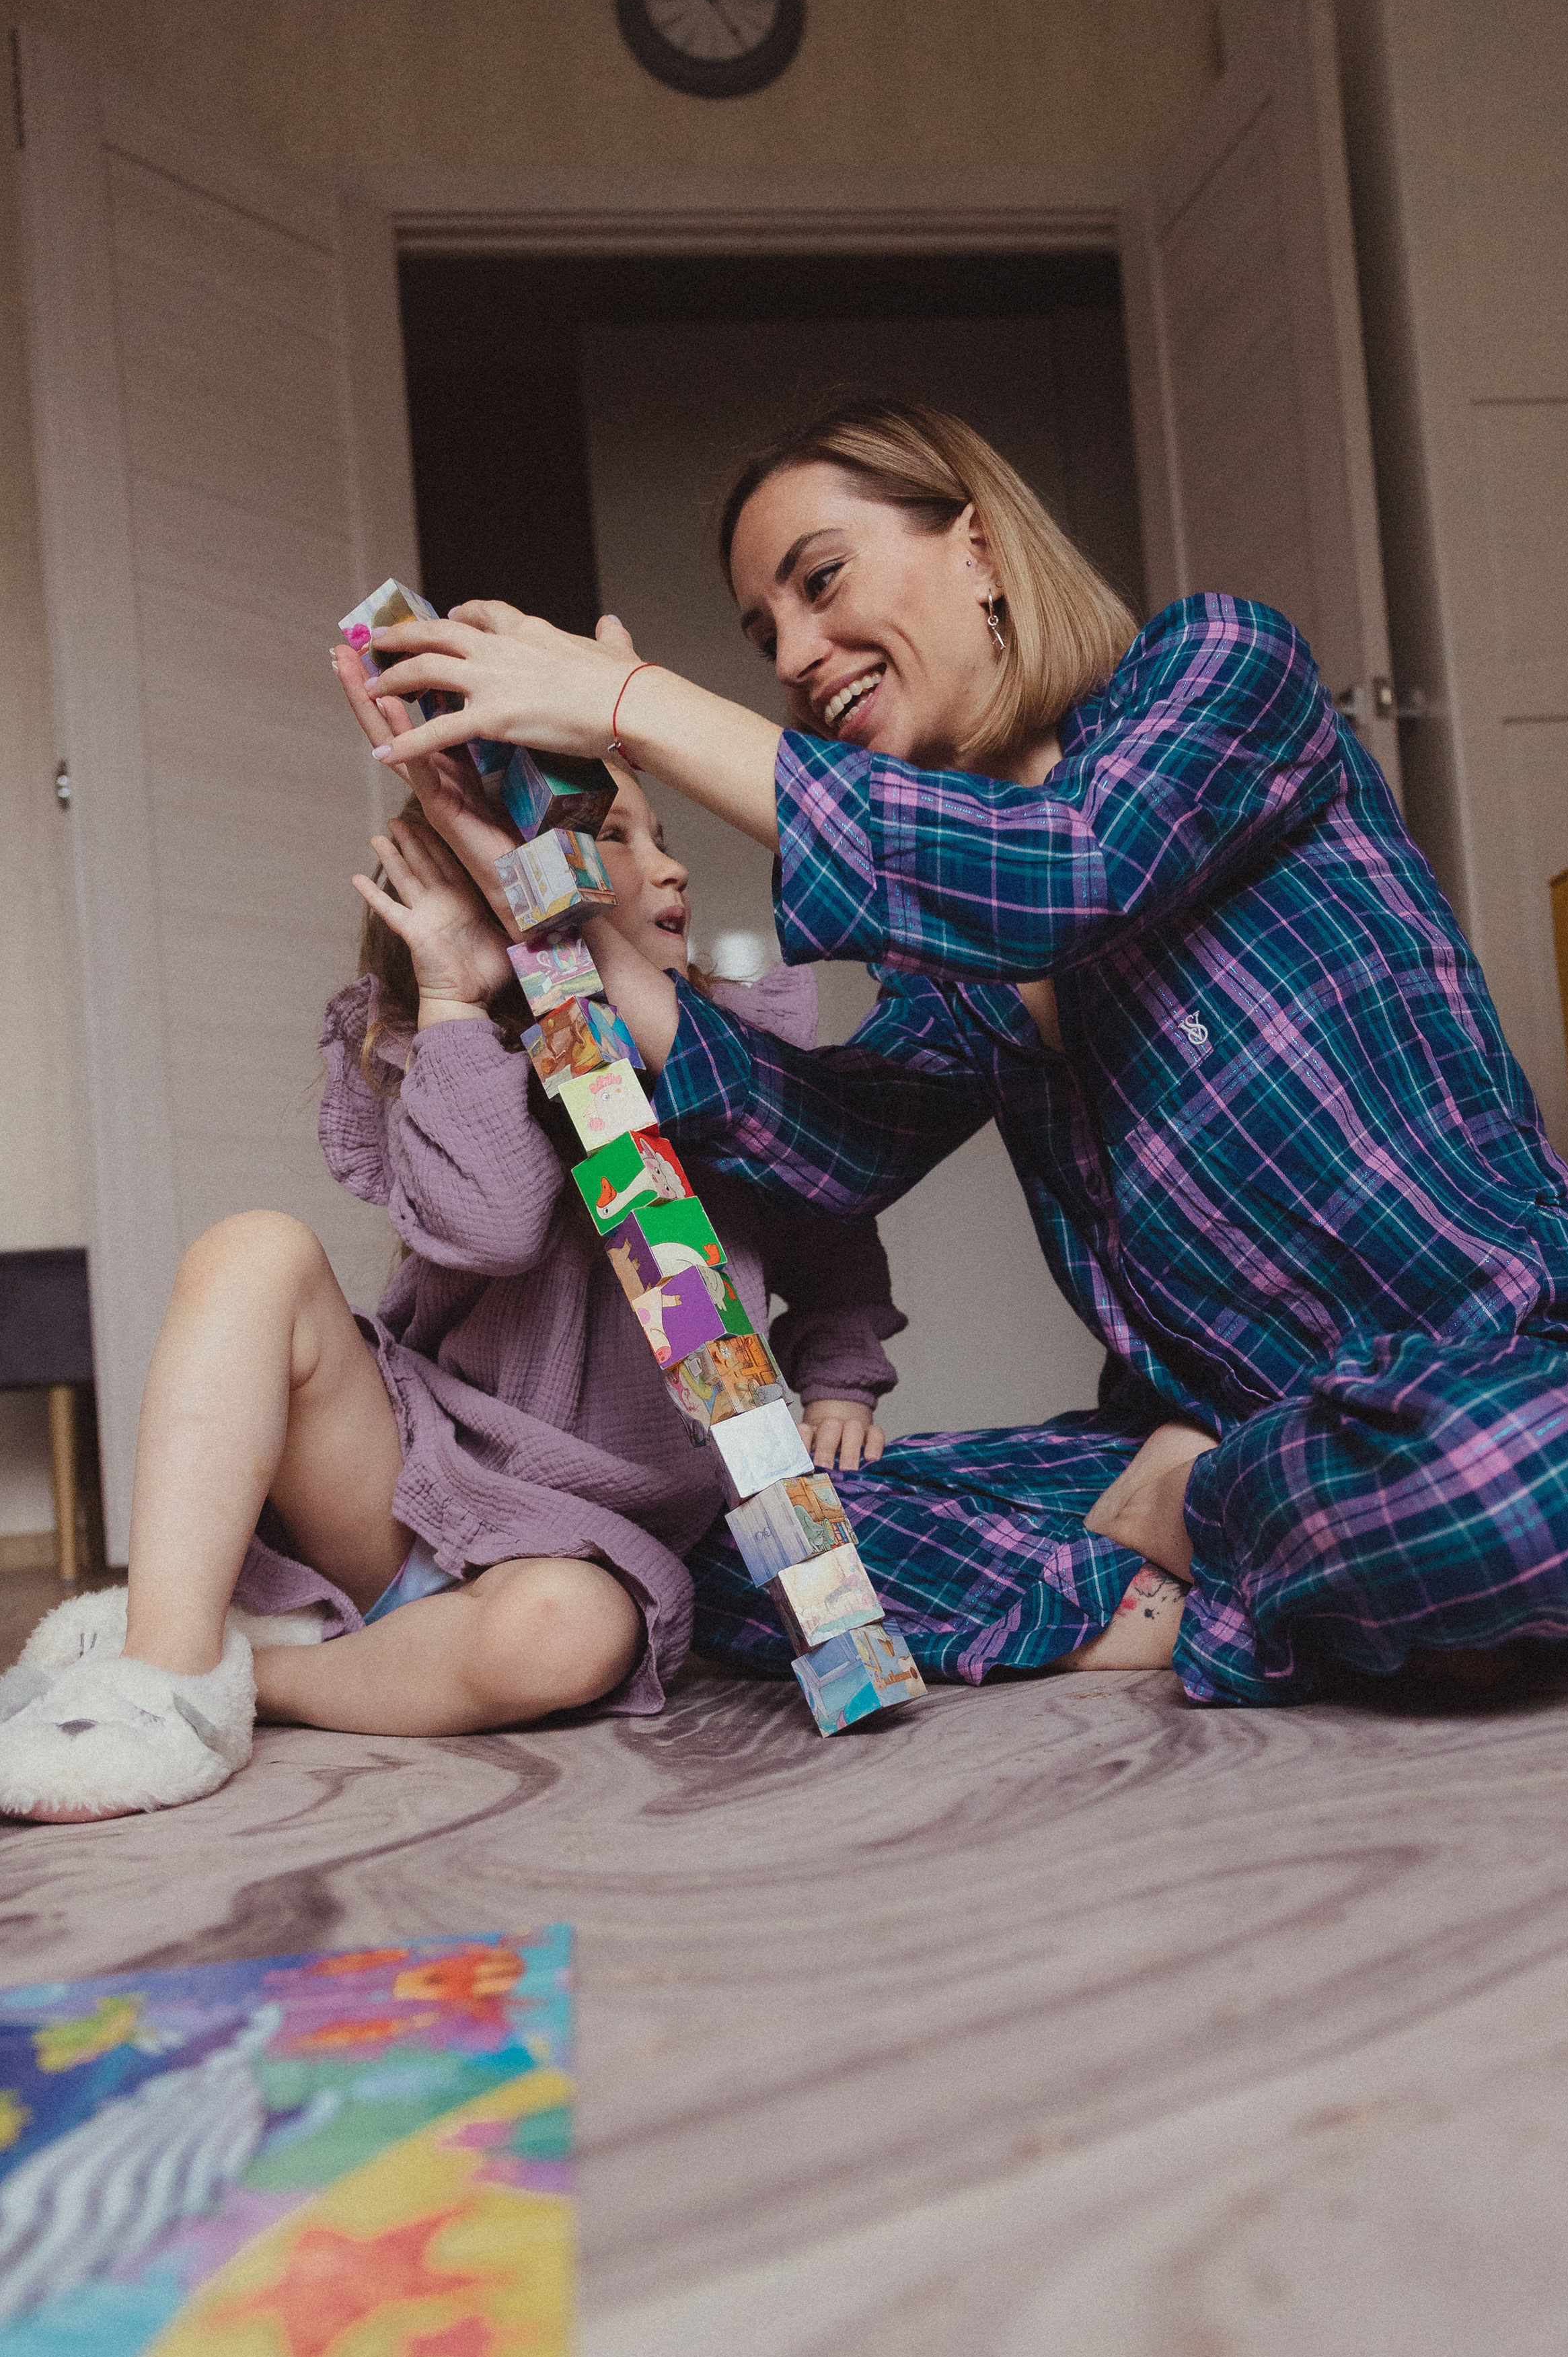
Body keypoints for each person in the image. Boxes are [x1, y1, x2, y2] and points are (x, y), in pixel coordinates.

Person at [326, 397, 1568, 1709]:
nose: (795, 656)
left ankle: (1203, 1537)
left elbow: (1068, 869)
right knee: (758, 1552)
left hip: (1496, 1367)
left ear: (976, 547)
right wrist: (594, 936)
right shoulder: (945, 941)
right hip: (1218, 1413)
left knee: (1518, 1490)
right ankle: (1343, 1585)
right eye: (764, 634)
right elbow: (834, 1145)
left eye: (819, 581)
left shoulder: (1219, 671)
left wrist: (628, 701)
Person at [0, 769, 901, 1821]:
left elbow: (832, 1235)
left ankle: (252, 1671)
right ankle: (158, 1667)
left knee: (569, 1634)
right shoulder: (456, 1055)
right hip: (413, 1476)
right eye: (617, 837)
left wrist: (841, 1377)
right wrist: (455, 1005)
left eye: (661, 833)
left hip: (582, 1537)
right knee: (253, 1250)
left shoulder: (737, 1062)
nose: (671, 863)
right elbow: (495, 1225)